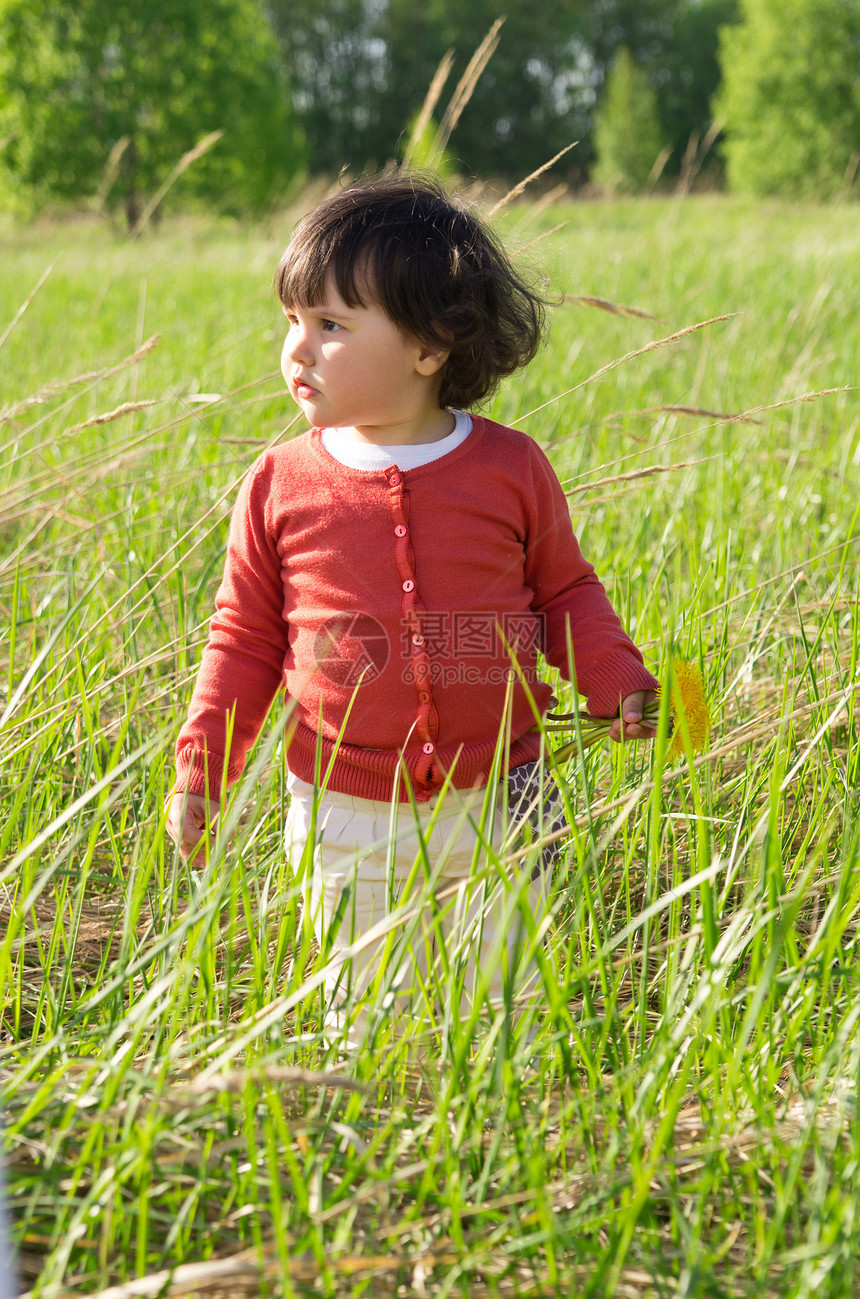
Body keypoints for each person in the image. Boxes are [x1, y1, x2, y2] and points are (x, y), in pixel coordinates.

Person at [166, 173, 657, 1039]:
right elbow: (242, 635)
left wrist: (610, 675)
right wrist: (205, 764)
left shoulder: (510, 468)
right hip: (346, 810)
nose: (297, 349)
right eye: (292, 320)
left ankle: (501, 1155)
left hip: (509, 794)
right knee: (368, 1023)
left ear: (433, 346)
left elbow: (565, 590)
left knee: (508, 1015)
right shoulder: (281, 482)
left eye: (332, 325)